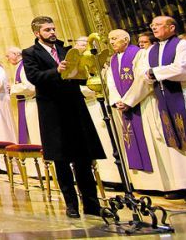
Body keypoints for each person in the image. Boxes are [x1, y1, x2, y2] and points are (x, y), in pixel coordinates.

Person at [118, 16, 186, 201]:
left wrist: (155, 72)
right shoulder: (151, 51)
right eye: (152, 25)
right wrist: (149, 78)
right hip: (166, 99)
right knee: (175, 144)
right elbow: (142, 74)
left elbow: (183, 70)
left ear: (171, 27)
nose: (154, 28)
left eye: (158, 25)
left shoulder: (183, 45)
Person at [22, 16, 104, 218]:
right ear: (37, 33)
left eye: (53, 29)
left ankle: (92, 205)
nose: (52, 32)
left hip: (74, 106)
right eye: (47, 30)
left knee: (83, 157)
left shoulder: (65, 49)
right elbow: (34, 77)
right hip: (53, 109)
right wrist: (56, 71)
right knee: (62, 159)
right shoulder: (31, 53)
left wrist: (87, 68)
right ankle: (71, 205)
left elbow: (79, 76)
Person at [102, 29, 160, 191]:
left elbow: (143, 79)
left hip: (141, 104)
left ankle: (156, 184)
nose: (111, 42)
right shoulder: (113, 60)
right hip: (124, 106)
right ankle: (140, 183)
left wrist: (129, 101)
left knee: (148, 141)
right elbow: (111, 83)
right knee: (130, 140)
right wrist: (118, 101)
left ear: (126, 40)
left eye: (115, 38)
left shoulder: (139, 54)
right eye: (110, 39)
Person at [71, 36, 120, 184]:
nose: (78, 48)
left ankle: (115, 176)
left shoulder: (98, 63)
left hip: (99, 103)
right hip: (86, 106)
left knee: (107, 137)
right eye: (78, 45)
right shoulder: (76, 65)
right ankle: (102, 176)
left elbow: (104, 82)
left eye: (82, 45)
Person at [6, 47, 40, 145]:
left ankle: (40, 151)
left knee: (34, 131)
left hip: (31, 103)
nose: (7, 59)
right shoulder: (20, 66)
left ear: (16, 54)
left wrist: (12, 88)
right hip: (25, 102)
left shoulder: (24, 66)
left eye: (8, 56)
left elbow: (30, 87)